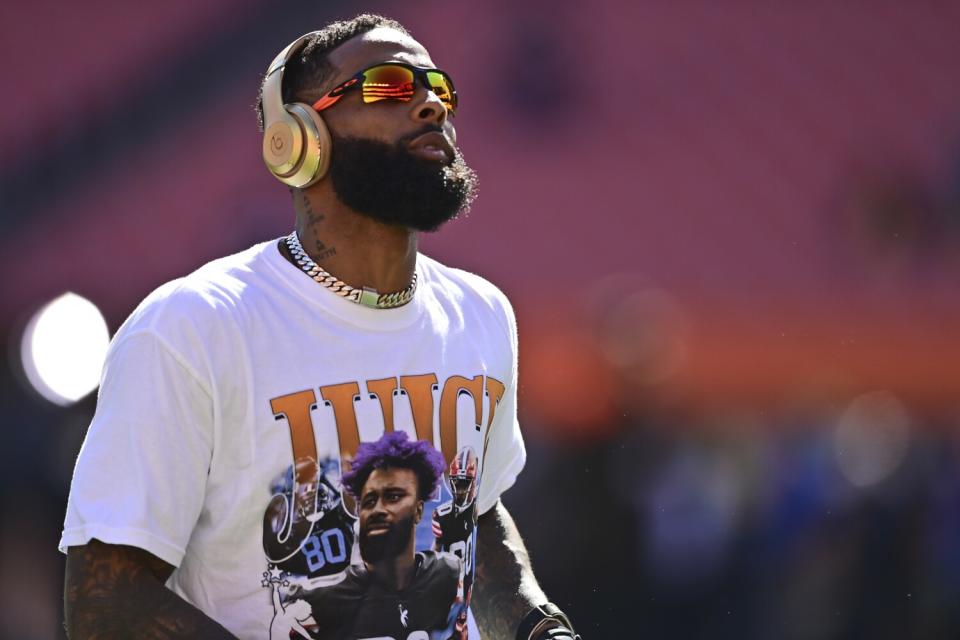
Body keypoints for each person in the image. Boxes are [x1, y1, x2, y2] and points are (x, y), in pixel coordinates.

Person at [60, 13, 580, 640]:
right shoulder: (191, 328)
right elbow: (106, 604)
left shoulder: (482, 313)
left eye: (439, 89)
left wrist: (538, 627)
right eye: (390, 86)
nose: (429, 105)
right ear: (300, 137)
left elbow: (477, 520)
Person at [276, 431, 462, 640]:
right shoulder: (318, 601)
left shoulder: (448, 574)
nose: (378, 509)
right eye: (369, 501)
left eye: (393, 497)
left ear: (419, 511)